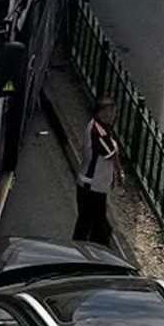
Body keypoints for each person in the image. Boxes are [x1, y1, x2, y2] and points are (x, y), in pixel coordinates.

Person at [73, 100, 120, 245]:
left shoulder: (101, 127)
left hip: (94, 185)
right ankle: (92, 251)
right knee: (92, 224)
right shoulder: (98, 132)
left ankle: (86, 248)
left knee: (89, 222)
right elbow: (112, 154)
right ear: (103, 113)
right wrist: (119, 172)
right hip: (92, 186)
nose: (113, 115)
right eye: (112, 112)